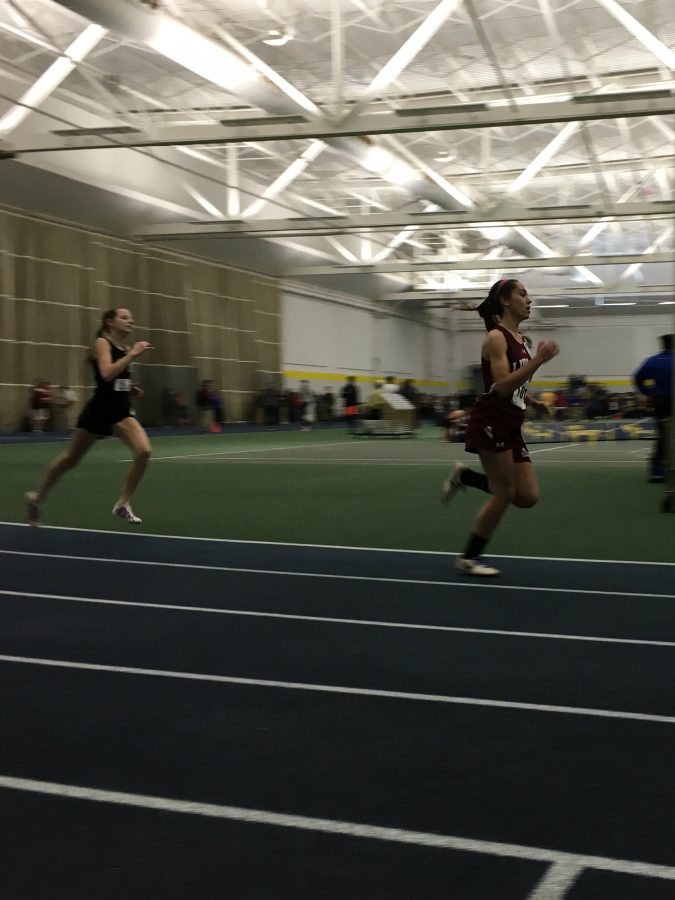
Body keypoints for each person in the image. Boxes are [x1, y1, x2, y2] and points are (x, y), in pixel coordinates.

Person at [440, 279, 559, 576]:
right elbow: (501, 387)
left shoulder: (520, 339)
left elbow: (516, 386)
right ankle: (469, 558)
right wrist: (540, 360)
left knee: (527, 497)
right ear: (505, 301)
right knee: (505, 494)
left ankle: (465, 476)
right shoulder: (497, 338)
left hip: (512, 422)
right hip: (491, 422)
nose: (529, 299)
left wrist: (532, 402)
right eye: (523, 294)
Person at [25, 308, 153, 526]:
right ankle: (37, 497)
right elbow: (105, 373)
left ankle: (123, 503)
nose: (130, 321)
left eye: (131, 317)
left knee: (144, 451)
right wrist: (133, 355)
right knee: (70, 459)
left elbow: (116, 379)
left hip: (120, 411)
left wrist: (130, 388)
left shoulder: (125, 347)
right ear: (110, 322)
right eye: (124, 317)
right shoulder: (102, 343)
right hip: (100, 410)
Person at [634, 334, 673, 483]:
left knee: (662, 435)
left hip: (660, 401)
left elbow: (637, 378)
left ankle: (657, 471)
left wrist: (649, 393)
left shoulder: (653, 361)